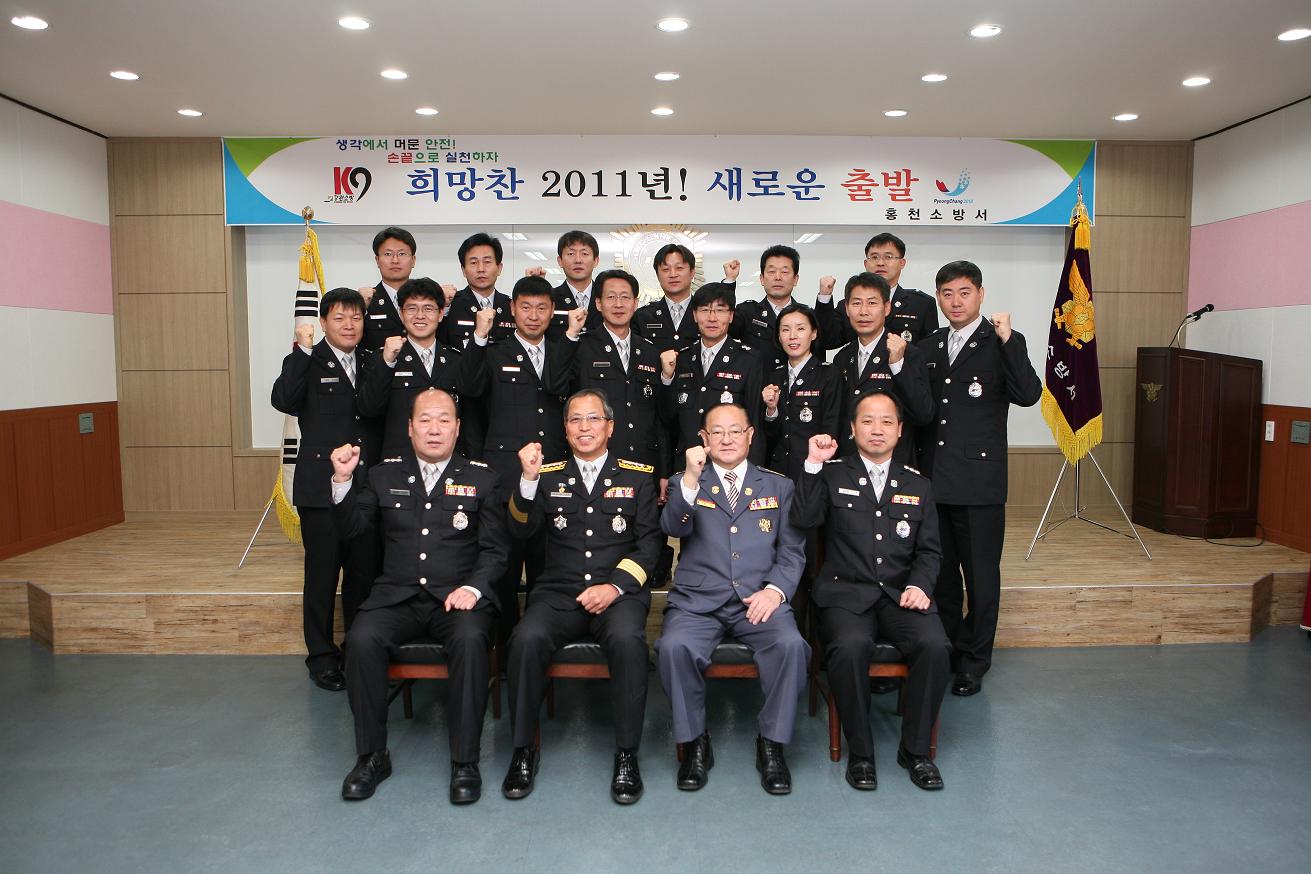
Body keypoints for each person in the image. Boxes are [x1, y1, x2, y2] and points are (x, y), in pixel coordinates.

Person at [329, 389, 506, 803]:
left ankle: (465, 761)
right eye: (425, 420)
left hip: (457, 597)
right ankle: (372, 756)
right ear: (410, 428)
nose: (434, 429)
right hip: (397, 596)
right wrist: (342, 481)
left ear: (458, 428)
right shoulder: (383, 475)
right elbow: (352, 530)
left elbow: (496, 551)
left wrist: (474, 588)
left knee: (470, 639)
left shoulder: (483, 478)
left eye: (444, 420)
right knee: (361, 639)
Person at [500, 390, 662, 804]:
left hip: (618, 594)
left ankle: (627, 754)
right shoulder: (546, 475)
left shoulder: (637, 476)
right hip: (558, 593)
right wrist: (528, 481)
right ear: (565, 429)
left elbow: (650, 547)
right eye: (575, 420)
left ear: (610, 426)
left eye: (593, 419)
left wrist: (614, 587)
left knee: (628, 642)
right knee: (525, 639)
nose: (584, 427)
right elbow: (519, 531)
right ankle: (523, 749)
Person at [791, 393, 950, 791]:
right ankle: (861, 753)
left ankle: (915, 751)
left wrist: (920, 584)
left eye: (886, 422)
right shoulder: (832, 474)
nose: (876, 429)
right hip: (846, 596)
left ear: (900, 430)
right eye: (867, 421)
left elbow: (930, 551)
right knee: (849, 648)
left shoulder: (918, 484)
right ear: (852, 429)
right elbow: (804, 518)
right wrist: (812, 464)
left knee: (935, 646)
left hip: (900, 595)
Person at [656, 403, 809, 795]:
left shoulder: (778, 486)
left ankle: (772, 743)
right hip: (698, 601)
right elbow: (672, 526)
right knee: (674, 647)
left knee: (791, 646)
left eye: (735, 431)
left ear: (750, 435)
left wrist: (774, 591)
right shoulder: (686, 481)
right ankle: (694, 743)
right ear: (703, 438)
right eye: (717, 432)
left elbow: (792, 552)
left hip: (758, 598)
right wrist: (691, 478)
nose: (726, 439)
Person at [917, 260, 1042, 697]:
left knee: (982, 578)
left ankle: (974, 661)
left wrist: (1009, 341)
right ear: (938, 297)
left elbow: (1028, 394)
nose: (956, 301)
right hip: (934, 480)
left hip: (979, 484)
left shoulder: (1001, 340)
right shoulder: (929, 345)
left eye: (964, 292)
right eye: (947, 293)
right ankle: (949, 649)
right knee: (943, 577)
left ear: (981, 295)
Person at [270, 287, 381, 692]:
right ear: (322, 322)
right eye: (339, 317)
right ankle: (320, 658)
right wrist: (301, 351)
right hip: (320, 491)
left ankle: (357, 652)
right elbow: (283, 399)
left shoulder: (371, 361)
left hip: (365, 489)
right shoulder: (306, 360)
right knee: (321, 578)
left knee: (362, 577)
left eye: (356, 317)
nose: (349, 325)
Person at [470, 275, 586, 646]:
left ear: (553, 312)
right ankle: (505, 652)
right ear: (512, 309)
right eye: (526, 307)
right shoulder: (494, 351)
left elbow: (556, 387)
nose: (533, 316)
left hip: (554, 475)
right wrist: (479, 337)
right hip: (506, 477)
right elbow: (470, 389)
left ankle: (542, 645)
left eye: (541, 308)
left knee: (548, 567)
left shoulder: (565, 349)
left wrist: (569, 339)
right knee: (504, 569)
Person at [357, 277, 486, 459]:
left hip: (449, 464)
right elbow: (369, 408)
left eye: (428, 308)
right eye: (411, 308)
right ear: (401, 314)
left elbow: (472, 409)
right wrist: (387, 362)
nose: (420, 316)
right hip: (399, 464)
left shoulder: (456, 360)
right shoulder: (382, 357)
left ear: (441, 314)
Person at [572, 269, 668, 487]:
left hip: (645, 464)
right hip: (597, 462)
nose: (618, 304)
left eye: (625, 297)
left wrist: (663, 470)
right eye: (611, 297)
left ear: (635, 304)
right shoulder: (583, 348)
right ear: (598, 303)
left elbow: (658, 418)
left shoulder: (650, 352)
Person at [830, 272, 934, 464]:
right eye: (856, 303)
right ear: (847, 309)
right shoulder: (842, 357)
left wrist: (897, 365)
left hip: (894, 465)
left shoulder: (909, 353)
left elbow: (923, 414)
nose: (863, 311)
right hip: (849, 465)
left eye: (872, 303)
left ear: (887, 308)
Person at [664, 282, 767, 466]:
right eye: (705, 310)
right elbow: (669, 419)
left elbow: (755, 424)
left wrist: (753, 473)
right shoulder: (682, 358)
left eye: (720, 310)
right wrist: (666, 378)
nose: (712, 318)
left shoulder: (749, 360)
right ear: (695, 315)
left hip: (730, 467)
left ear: (731, 316)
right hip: (686, 465)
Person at [437, 232, 517, 460]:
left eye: (487, 262)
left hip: (503, 399)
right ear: (463, 269)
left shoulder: (510, 307)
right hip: (464, 400)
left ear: (499, 267)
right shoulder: (451, 306)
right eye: (473, 263)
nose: (481, 269)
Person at [816, 232, 938, 351]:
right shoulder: (851, 305)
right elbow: (828, 341)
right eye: (874, 257)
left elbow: (931, 351)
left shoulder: (921, 304)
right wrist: (824, 297)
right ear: (866, 263)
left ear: (902, 263)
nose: (880, 263)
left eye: (888, 257)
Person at [762, 303, 841, 480]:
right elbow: (769, 436)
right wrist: (771, 410)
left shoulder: (828, 374)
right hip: (778, 472)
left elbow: (832, 427)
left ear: (813, 333)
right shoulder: (774, 376)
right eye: (785, 330)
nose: (792, 336)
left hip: (814, 470)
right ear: (779, 336)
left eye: (800, 328)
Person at [729, 244, 801, 369]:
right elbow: (724, 328)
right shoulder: (748, 312)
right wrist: (729, 281)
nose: (778, 277)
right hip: (758, 381)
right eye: (772, 272)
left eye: (784, 272)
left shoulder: (807, 316)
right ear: (762, 279)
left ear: (795, 279)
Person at [359, 226, 417, 351]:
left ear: (413, 260)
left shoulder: (428, 300)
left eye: (402, 254)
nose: (395, 260)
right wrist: (360, 308)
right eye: (388, 254)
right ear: (377, 260)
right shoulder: (365, 302)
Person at [545, 229, 605, 339]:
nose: (578, 260)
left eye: (584, 254)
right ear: (560, 261)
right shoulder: (549, 298)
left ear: (596, 261)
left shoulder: (606, 297)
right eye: (571, 254)